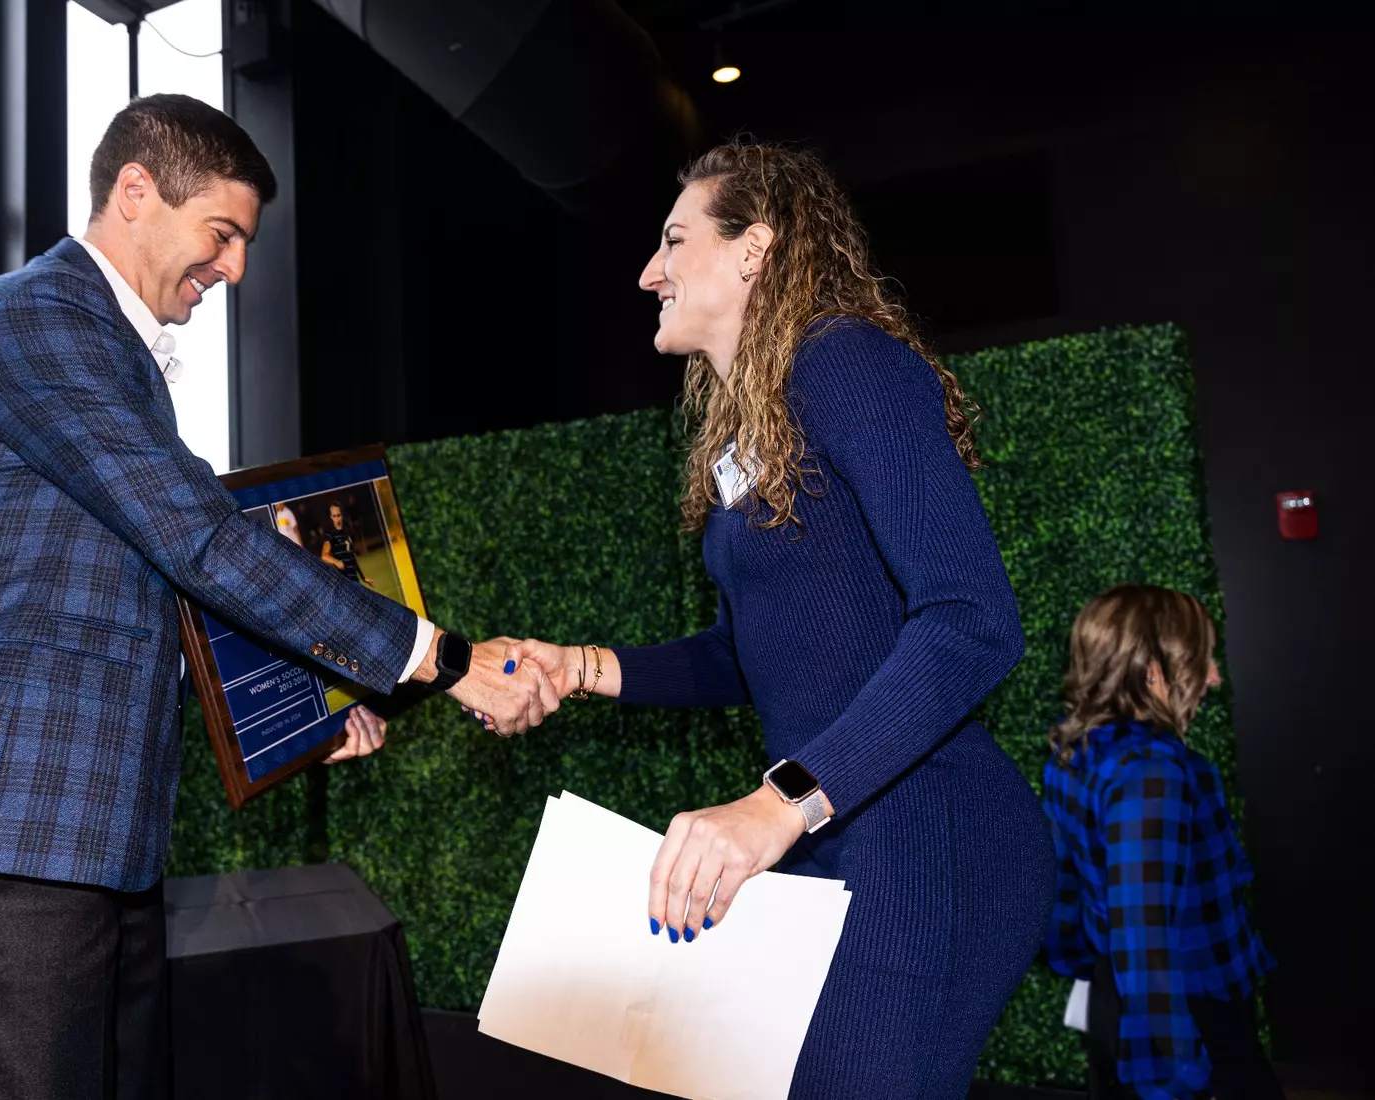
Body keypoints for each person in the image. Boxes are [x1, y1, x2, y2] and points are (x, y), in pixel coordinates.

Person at [0, 94, 551, 1100]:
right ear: (137, 192)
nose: (237, 267)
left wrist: (309, 702)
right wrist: (443, 659)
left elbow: (120, 599)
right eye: (222, 233)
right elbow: (200, 537)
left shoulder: (111, 352)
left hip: (86, 841)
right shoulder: (35, 317)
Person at [506, 143, 1055, 1098]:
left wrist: (775, 805)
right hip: (836, 834)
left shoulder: (846, 363)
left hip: (929, 842)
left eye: (675, 241)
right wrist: (582, 666)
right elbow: (749, 653)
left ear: (755, 248)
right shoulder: (749, 431)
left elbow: (973, 620)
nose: (649, 272)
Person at [1042, 585, 1281, 1100]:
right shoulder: (1150, 773)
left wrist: (1090, 972)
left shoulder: (1074, 749)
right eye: (1202, 661)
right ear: (1154, 672)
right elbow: (1147, 945)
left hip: (1122, 998)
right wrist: (1170, 1080)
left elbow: (1064, 887)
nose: (1214, 678)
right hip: (1182, 1020)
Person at [319, 502, 373, 586]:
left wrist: (363, 577)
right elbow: (324, 555)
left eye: (339, 515)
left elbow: (352, 557)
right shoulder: (330, 535)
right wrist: (336, 562)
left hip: (355, 579)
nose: (337, 518)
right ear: (331, 517)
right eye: (334, 516)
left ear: (342, 515)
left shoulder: (348, 533)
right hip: (344, 581)